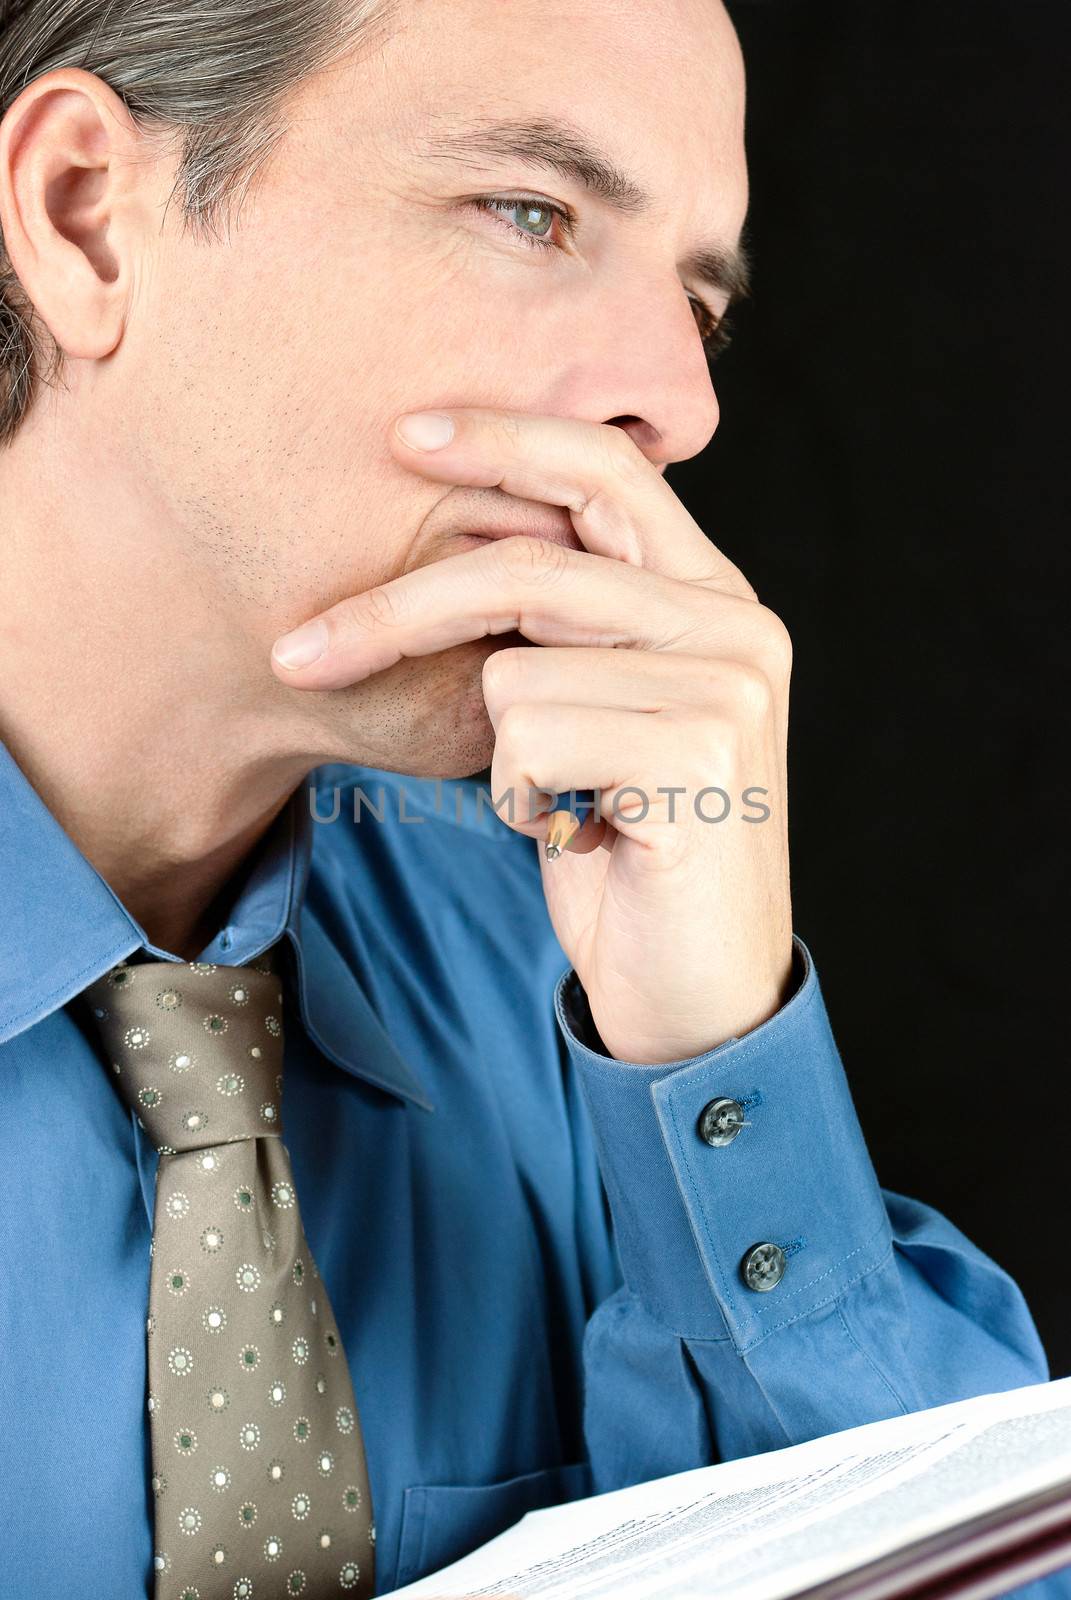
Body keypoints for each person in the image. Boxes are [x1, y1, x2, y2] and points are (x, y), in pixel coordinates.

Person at [0, 1, 1058, 1596]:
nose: (678, 407)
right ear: (87, 216)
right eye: (533, 212)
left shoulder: (579, 963)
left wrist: (715, 1050)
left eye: (698, 303)